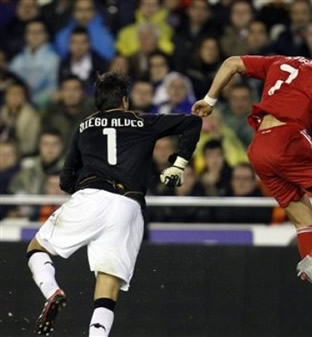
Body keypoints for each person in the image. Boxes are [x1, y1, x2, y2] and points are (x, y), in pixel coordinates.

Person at [192, 36, 312, 330]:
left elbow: (232, 62)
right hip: (288, 139)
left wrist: (210, 100)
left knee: (304, 222)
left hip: (259, 149)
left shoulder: (282, 61)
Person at [26, 72, 202, 336]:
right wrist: (178, 164)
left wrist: (87, 192)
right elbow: (192, 124)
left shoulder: (84, 127)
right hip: (129, 207)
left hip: (92, 194)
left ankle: (52, 291)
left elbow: (65, 180)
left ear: (97, 103)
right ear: (124, 101)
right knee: (108, 285)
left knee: (37, 248)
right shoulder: (143, 121)